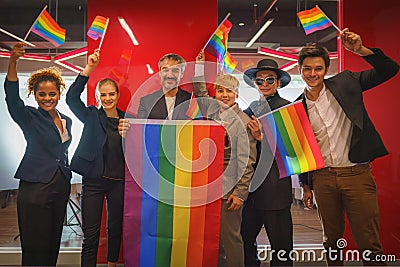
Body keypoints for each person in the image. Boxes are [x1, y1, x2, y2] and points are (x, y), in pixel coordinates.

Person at [299, 28, 399, 265]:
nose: (313, 74)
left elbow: (390, 69)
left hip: (356, 174)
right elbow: (302, 149)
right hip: (322, 178)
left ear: (326, 69)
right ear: (300, 69)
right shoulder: (297, 107)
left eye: (318, 68)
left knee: (368, 241)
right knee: (331, 241)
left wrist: (361, 50)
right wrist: (306, 185)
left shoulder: (346, 82)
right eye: (307, 69)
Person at [4, 42, 72, 266]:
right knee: (35, 243)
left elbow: (62, 151)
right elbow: (12, 98)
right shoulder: (29, 116)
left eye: (52, 93)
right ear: (34, 94)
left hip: (60, 185)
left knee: (53, 241)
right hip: (35, 186)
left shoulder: (66, 120)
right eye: (41, 94)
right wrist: (13, 61)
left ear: (59, 94)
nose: (47, 98)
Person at [194, 50, 257, 267]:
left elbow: (247, 161)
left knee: (231, 237)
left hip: (230, 190)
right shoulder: (213, 113)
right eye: (220, 91)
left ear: (236, 94)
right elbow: (201, 92)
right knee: (214, 239)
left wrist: (240, 193)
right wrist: (200, 68)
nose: (224, 95)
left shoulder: (244, 121)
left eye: (228, 91)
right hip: (209, 187)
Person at [66, 49, 126, 267]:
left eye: (112, 94)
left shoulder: (127, 120)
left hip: (119, 183)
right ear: (99, 97)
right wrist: (89, 68)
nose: (108, 98)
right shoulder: (91, 115)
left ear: (118, 96)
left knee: (115, 228)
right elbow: (71, 98)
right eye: (104, 95)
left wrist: (129, 136)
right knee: (90, 234)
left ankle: (111, 264)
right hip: (93, 182)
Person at [240, 59, 294, 266]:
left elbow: (293, 151)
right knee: (245, 240)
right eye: (259, 80)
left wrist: (264, 138)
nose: (264, 84)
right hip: (250, 190)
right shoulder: (251, 108)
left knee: (281, 247)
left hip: (275, 189)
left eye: (269, 79)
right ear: (254, 84)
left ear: (278, 82)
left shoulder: (288, 109)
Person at [137, 53, 191, 119]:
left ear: (182, 74)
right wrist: (126, 127)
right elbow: (139, 128)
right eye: (165, 70)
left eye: (175, 70)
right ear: (160, 73)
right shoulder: (146, 102)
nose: (170, 75)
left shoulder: (191, 100)